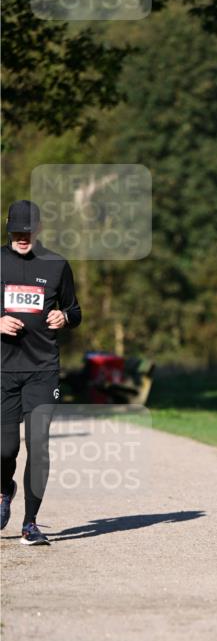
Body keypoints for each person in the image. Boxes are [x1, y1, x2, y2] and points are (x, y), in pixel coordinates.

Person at [1, 200, 82, 545]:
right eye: (16, 232)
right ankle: (4, 489)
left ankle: (30, 524)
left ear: (39, 230)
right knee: (5, 449)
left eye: (28, 232)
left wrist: (65, 317)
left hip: (42, 369)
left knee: (38, 445)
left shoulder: (56, 264)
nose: (22, 238)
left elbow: (74, 310)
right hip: (3, 370)